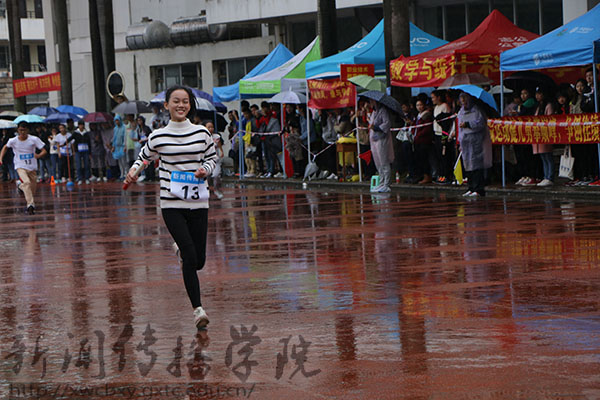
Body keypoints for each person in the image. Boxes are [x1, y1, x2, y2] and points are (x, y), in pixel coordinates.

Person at [125, 85, 217, 330]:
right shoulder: (158, 136)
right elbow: (144, 157)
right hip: (171, 203)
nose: (181, 105)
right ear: (166, 105)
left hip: (198, 202)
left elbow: (212, 158)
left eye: (185, 101)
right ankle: (198, 310)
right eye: (175, 101)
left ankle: (181, 253)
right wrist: (133, 172)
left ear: (190, 105)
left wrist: (205, 170)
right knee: (190, 255)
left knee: (198, 261)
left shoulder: (201, 133)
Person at [0, 122, 47, 214]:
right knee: (27, 182)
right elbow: (5, 147)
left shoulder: (34, 139)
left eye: (24, 130)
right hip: (20, 166)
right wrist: (0, 158)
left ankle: (20, 186)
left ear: (28, 130)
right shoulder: (13, 140)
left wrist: (38, 155)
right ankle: (30, 205)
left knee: (31, 188)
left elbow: (44, 150)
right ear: (18, 130)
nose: (22, 132)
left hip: (32, 167)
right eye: (21, 130)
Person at [457, 93, 492, 197]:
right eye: (461, 99)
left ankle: (479, 188)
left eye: (465, 99)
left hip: (475, 140)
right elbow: (459, 128)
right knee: (467, 164)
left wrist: (468, 124)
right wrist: (459, 141)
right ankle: (471, 187)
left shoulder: (477, 111)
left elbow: (480, 124)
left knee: (476, 164)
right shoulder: (461, 112)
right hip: (465, 141)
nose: (463, 101)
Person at [367, 97, 394, 193]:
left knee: (384, 161)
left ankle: (386, 184)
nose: (370, 103)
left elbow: (386, 124)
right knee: (378, 162)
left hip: (381, 139)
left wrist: (376, 127)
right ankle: (381, 182)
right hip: (374, 140)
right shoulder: (374, 112)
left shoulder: (383, 111)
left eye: (371, 101)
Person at [532, 88, 555, 187]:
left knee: (548, 156)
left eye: (539, 94)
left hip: (545, 133)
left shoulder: (548, 105)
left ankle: (550, 177)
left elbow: (550, 118)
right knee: (543, 156)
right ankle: (546, 176)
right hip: (538, 134)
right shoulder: (538, 106)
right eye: (536, 94)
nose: (537, 96)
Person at [205, 120, 224, 199]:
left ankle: (217, 190)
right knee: (207, 177)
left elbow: (219, 146)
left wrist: (222, 152)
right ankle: (207, 191)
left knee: (216, 175)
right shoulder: (202, 137)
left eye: (212, 127)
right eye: (209, 127)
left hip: (215, 159)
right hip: (206, 160)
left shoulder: (216, 136)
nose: (211, 129)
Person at [72, 120, 92, 184]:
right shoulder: (75, 133)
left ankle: (87, 178)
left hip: (86, 150)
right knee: (78, 165)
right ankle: (79, 178)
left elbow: (89, 143)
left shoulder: (86, 133)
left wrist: (90, 152)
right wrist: (64, 144)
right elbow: (70, 139)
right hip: (78, 151)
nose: (81, 126)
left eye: (82, 125)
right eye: (80, 125)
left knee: (86, 164)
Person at [111, 115, 127, 180]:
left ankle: (126, 173)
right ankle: (122, 174)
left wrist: (125, 145)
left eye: (117, 120)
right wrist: (113, 146)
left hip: (122, 146)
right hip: (117, 147)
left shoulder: (124, 127)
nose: (117, 122)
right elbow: (114, 138)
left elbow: (125, 137)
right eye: (115, 121)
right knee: (119, 161)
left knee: (124, 161)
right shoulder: (115, 129)